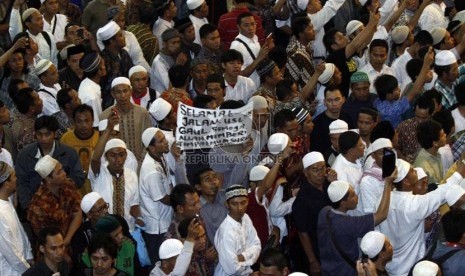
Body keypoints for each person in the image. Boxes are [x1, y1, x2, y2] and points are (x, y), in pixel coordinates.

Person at [379, 158, 465, 275]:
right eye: (412, 171)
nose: (415, 170)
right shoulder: (414, 204)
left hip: (389, 265)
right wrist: (459, 173)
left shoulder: (383, 199)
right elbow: (443, 192)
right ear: (406, 182)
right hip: (411, 267)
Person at [318, 171, 396, 275]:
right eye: (353, 195)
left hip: (327, 270)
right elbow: (381, 215)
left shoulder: (324, 211)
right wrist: (388, 184)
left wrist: (337, 186)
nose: (356, 197)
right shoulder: (349, 224)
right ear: (343, 203)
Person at [16, 115, 84, 212]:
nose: (43, 138)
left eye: (47, 134)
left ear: (55, 134)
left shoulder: (69, 153)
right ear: (35, 134)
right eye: (39, 134)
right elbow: (22, 184)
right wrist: (28, 208)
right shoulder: (25, 154)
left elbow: (79, 178)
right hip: (35, 208)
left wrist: (60, 182)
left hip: (65, 207)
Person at [90, 110, 142, 232]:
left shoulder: (131, 175)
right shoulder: (99, 173)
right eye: (113, 155)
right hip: (104, 231)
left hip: (127, 230)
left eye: (121, 155)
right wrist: (108, 129)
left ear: (126, 155)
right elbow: (95, 158)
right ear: (106, 157)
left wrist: (139, 218)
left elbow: (134, 205)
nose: (118, 160)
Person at [292, 152, 336, 274]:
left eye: (322, 168)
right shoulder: (302, 199)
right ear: (306, 173)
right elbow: (303, 232)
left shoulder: (328, 184)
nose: (320, 173)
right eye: (315, 170)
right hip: (315, 248)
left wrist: (335, 184)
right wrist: (313, 261)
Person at [27, 155, 82, 245]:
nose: (64, 173)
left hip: (71, 239)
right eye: (59, 172)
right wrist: (62, 249)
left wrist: (67, 240)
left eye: (62, 169)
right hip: (51, 248)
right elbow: (44, 238)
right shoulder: (39, 204)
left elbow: (78, 213)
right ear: (48, 179)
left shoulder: (68, 185)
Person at [139, 127, 173, 264]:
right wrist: (180, 203)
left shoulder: (161, 156)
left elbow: (169, 183)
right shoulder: (151, 170)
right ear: (152, 148)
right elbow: (164, 198)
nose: (166, 142)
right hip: (157, 228)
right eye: (161, 141)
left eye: (164, 138)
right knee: (159, 265)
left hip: (166, 221)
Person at [100, 77, 152, 163]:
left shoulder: (142, 113)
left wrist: (140, 164)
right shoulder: (105, 116)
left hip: (141, 164)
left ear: (131, 91)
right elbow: (104, 145)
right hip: (115, 164)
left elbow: (148, 141)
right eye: (118, 92)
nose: (123, 96)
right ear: (113, 94)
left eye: (125, 91)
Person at [214, 185, 261, 275]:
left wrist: (243, 256)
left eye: (243, 203)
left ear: (247, 201)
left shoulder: (246, 218)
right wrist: (250, 256)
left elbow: (257, 245)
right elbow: (232, 269)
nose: (240, 208)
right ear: (227, 204)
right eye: (234, 204)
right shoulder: (226, 231)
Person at [0, 162, 33, 275]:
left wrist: (29, 255)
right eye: (14, 176)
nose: (16, 179)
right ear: (6, 184)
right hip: (9, 271)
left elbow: (20, 232)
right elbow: (9, 251)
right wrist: (26, 270)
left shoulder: (7, 201)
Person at [60, 104, 99, 195]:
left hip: (95, 186)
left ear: (93, 121)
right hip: (73, 188)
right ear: (73, 122)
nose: (83, 125)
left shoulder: (99, 138)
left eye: (87, 121)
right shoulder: (65, 139)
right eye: (79, 121)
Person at [230, 12, 274, 87]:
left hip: (259, 85)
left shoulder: (255, 38)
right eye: (246, 25)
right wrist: (259, 58)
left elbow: (260, 60)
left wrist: (267, 50)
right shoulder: (236, 46)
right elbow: (239, 75)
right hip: (247, 88)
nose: (251, 28)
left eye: (253, 24)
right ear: (239, 27)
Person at [97, 21, 134, 110]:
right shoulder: (102, 59)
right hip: (109, 105)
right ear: (112, 41)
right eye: (120, 36)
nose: (124, 38)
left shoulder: (124, 53)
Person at [395, 95, 435, 163]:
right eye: (418, 116)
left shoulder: (436, 130)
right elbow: (395, 147)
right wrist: (403, 158)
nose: (420, 121)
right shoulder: (404, 126)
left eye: (424, 118)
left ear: (431, 115)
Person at [193, 168, 227, 243]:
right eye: (207, 179)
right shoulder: (196, 208)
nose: (213, 182)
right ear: (198, 187)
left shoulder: (226, 200)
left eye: (215, 177)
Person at [150, 28, 186, 93]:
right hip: (161, 99)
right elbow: (170, 87)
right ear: (164, 44)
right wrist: (178, 67)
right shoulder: (159, 62)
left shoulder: (175, 56)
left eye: (178, 42)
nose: (177, 46)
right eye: (173, 43)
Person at [78, 51, 106, 127]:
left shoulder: (86, 82)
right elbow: (95, 126)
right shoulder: (91, 97)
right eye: (103, 64)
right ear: (99, 71)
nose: (105, 66)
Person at [414, 119, 447, 183]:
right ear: (435, 143)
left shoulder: (434, 153)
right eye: (442, 135)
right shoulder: (425, 167)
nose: (445, 135)